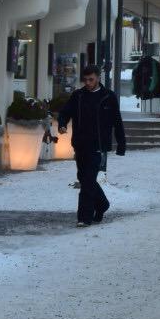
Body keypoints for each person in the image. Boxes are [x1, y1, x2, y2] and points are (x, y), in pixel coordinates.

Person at [57, 64, 126, 226]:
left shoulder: (108, 97)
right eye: (85, 80)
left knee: (87, 181)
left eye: (91, 79)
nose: (88, 83)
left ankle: (84, 217)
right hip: (80, 144)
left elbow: (117, 121)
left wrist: (121, 144)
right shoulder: (78, 96)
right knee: (84, 177)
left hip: (98, 146)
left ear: (98, 78)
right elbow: (65, 112)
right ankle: (102, 204)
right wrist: (62, 124)